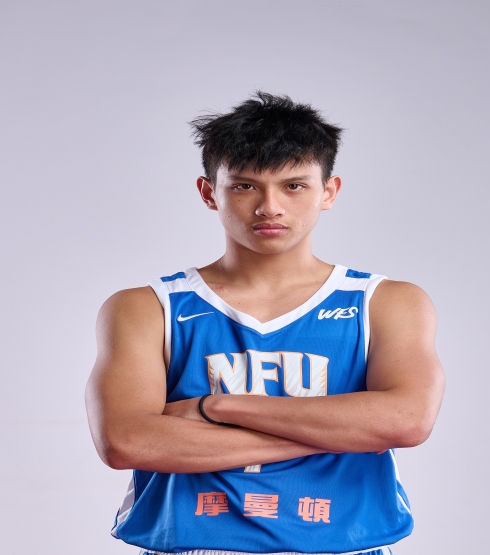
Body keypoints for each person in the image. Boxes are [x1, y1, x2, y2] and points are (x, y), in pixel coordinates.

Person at [85, 92, 445, 555]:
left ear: (328, 191)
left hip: (345, 545)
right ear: (209, 192)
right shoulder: (147, 307)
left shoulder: (386, 302)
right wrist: (341, 434)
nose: (269, 207)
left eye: (294, 186)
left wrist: (216, 407)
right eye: (244, 186)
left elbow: (407, 421)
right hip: (192, 545)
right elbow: (125, 442)